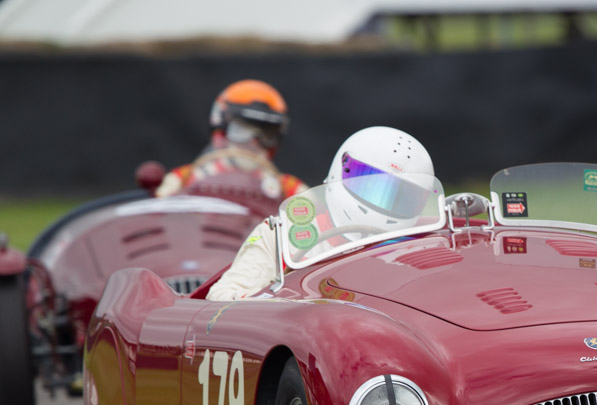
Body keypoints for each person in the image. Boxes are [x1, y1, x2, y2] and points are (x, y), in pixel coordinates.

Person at [206, 126, 434, 301]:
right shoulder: (283, 236)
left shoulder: (422, 250)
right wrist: (283, 304)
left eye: (402, 196)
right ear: (340, 171)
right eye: (372, 187)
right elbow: (224, 298)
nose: (383, 203)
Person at [155, 79, 306, 199]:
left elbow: (317, 219)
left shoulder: (288, 189)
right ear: (221, 129)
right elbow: (158, 211)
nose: (253, 142)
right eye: (241, 130)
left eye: (267, 135)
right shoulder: (185, 178)